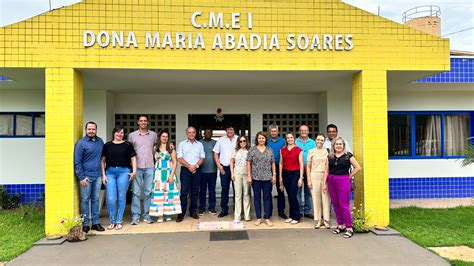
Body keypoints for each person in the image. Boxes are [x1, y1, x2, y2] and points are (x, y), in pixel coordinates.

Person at [101, 125, 137, 230]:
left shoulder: (127, 145)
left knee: (121, 197)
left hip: (124, 171)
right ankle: (112, 221)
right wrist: (103, 174)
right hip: (110, 172)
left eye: (121, 132)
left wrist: (134, 171)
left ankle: (119, 220)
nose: (119, 134)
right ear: (114, 133)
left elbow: (133, 158)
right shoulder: (107, 145)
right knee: (111, 198)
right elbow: (102, 160)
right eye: (117, 132)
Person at [74, 121, 105, 233]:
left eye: (93, 129)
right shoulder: (81, 144)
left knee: (96, 199)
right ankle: (86, 224)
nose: (91, 131)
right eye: (89, 129)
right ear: (86, 130)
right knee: (85, 200)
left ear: (96, 130)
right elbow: (77, 162)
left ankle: (96, 223)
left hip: (97, 176)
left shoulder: (100, 141)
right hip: (86, 177)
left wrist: (102, 174)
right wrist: (81, 177)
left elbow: (102, 158)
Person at [328, 137, 361, 238]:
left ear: (343, 145)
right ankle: (340, 225)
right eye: (336, 144)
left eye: (340, 144)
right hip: (331, 179)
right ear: (333, 146)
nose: (338, 146)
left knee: (344, 204)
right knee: (335, 204)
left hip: (343, 180)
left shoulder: (348, 156)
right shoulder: (330, 155)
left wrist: (349, 176)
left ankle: (349, 227)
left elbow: (358, 167)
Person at [128, 115, 157, 225]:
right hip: (137, 167)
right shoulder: (132, 136)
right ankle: (135, 216)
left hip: (150, 166)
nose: (143, 122)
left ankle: (147, 215)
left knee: (148, 192)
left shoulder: (153, 135)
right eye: (141, 121)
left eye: (145, 121)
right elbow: (129, 151)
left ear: (148, 122)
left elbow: (158, 147)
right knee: (136, 192)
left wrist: (171, 146)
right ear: (138, 122)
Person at [149, 130, 182, 222]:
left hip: (169, 172)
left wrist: (172, 175)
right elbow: (153, 160)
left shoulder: (171, 148)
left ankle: (168, 213)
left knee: (169, 193)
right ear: (160, 137)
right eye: (163, 136)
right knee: (159, 193)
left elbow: (175, 162)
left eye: (166, 136)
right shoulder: (155, 148)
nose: (165, 138)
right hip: (158, 174)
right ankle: (160, 215)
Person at [247, 131, 276, 227]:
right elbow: (248, 163)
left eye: (263, 138)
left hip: (267, 178)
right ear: (257, 139)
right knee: (256, 198)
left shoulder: (269, 150)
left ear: (265, 139)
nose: (261, 140)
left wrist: (274, 175)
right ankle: (259, 218)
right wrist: (249, 176)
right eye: (259, 138)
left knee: (267, 198)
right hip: (255, 178)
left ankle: (267, 218)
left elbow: (273, 163)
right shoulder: (252, 150)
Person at [176, 126, 205, 222]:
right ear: (186, 133)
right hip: (185, 170)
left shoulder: (200, 144)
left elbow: (202, 158)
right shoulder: (182, 144)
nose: (191, 134)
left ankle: (193, 211)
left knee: (195, 192)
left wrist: (195, 166)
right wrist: (189, 166)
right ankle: (181, 213)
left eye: (193, 132)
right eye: (189, 132)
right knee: (184, 192)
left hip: (197, 170)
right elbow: (179, 158)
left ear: (195, 133)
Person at [213, 123, 238, 218]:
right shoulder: (221, 140)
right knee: (225, 189)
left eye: (231, 129)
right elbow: (215, 153)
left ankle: (237, 209)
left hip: (236, 168)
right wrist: (219, 166)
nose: (230, 131)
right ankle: (224, 210)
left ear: (234, 130)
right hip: (225, 168)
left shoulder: (238, 139)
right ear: (226, 130)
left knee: (237, 189)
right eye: (228, 129)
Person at [279, 132, 303, 224]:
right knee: (289, 195)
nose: (289, 139)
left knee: (293, 195)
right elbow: (281, 163)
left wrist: (301, 177)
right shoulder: (282, 150)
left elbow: (301, 164)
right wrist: (280, 177)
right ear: (286, 139)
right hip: (285, 173)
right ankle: (291, 215)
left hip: (295, 174)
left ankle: (296, 216)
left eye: (291, 137)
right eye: (288, 138)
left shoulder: (298, 150)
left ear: (294, 138)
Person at [307, 133, 330, 229]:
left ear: (324, 141)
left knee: (326, 198)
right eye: (318, 139)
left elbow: (327, 167)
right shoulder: (311, 151)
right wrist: (309, 180)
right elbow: (308, 167)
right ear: (315, 140)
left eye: (322, 140)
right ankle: (318, 220)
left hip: (325, 175)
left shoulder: (327, 152)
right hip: (314, 175)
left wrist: (325, 181)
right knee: (315, 198)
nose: (320, 141)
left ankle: (326, 220)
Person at [295, 124, 316, 218]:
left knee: (308, 191)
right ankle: (298, 210)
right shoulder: (295, 142)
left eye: (305, 130)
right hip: (297, 170)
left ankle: (308, 211)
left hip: (309, 170)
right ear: (299, 131)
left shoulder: (312, 142)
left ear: (308, 131)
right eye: (301, 130)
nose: (303, 132)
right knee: (298, 191)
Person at [267, 124, 287, 219]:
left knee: (280, 190)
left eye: (275, 131)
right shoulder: (267, 141)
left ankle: (281, 211)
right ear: (269, 132)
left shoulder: (283, 141)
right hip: (268, 169)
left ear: (277, 131)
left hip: (280, 168)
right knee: (268, 191)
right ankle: (268, 211)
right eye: (272, 131)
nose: (273, 133)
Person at [230, 135, 251, 223]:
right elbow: (231, 162)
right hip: (237, 174)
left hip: (246, 174)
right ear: (238, 142)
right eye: (240, 141)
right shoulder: (235, 151)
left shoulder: (250, 151)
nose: (242, 143)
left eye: (244, 141)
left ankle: (247, 215)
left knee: (246, 194)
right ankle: (237, 216)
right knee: (238, 195)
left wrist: (250, 175)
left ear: (246, 142)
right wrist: (232, 173)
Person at [198, 129, 218, 215]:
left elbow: (218, 154)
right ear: (203, 133)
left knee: (212, 190)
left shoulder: (215, 143)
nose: (208, 134)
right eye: (206, 132)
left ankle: (212, 207)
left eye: (210, 132)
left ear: (212, 134)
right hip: (202, 171)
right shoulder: (199, 143)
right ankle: (202, 207)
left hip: (213, 170)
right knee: (202, 190)